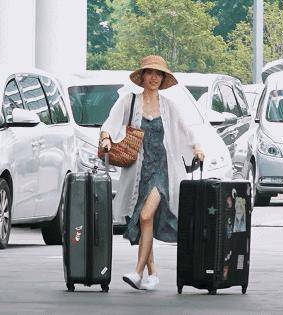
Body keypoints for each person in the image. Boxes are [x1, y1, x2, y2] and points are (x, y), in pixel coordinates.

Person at [99, 55, 204, 291]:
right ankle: (153, 274)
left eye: (159, 74)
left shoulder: (168, 106)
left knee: (146, 216)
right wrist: (106, 138)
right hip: (138, 172)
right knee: (142, 221)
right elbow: (110, 122)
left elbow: (185, 130)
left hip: (162, 171)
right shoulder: (130, 101)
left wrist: (197, 146)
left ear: (163, 78)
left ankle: (137, 273)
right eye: (150, 73)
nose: (154, 78)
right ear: (143, 76)